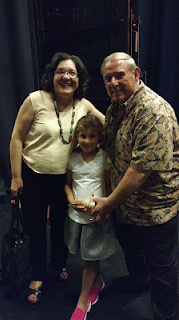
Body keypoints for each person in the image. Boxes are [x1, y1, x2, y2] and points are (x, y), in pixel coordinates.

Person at [10, 52, 105, 304]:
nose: (66, 77)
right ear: (52, 75)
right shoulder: (35, 100)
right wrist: (16, 177)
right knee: (36, 227)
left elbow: (107, 125)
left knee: (63, 226)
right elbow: (17, 138)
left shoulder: (83, 105)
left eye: (72, 73)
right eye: (60, 71)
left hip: (64, 181)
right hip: (34, 177)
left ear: (79, 78)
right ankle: (37, 274)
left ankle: (59, 264)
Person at [91, 52, 179, 320]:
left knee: (163, 269)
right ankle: (138, 282)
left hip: (155, 209)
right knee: (133, 253)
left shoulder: (153, 111)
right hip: (127, 207)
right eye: (108, 78)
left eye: (120, 75)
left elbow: (139, 172)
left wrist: (108, 203)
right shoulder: (117, 107)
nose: (114, 82)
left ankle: (165, 313)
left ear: (136, 73)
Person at [64, 115, 118, 320]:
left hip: (96, 215)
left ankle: (82, 302)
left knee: (88, 258)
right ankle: (97, 282)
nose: (87, 141)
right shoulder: (73, 158)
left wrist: (107, 209)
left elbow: (109, 185)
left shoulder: (103, 157)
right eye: (83, 136)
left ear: (100, 138)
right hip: (77, 215)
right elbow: (68, 183)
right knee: (87, 253)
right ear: (77, 136)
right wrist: (71, 200)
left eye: (93, 136)